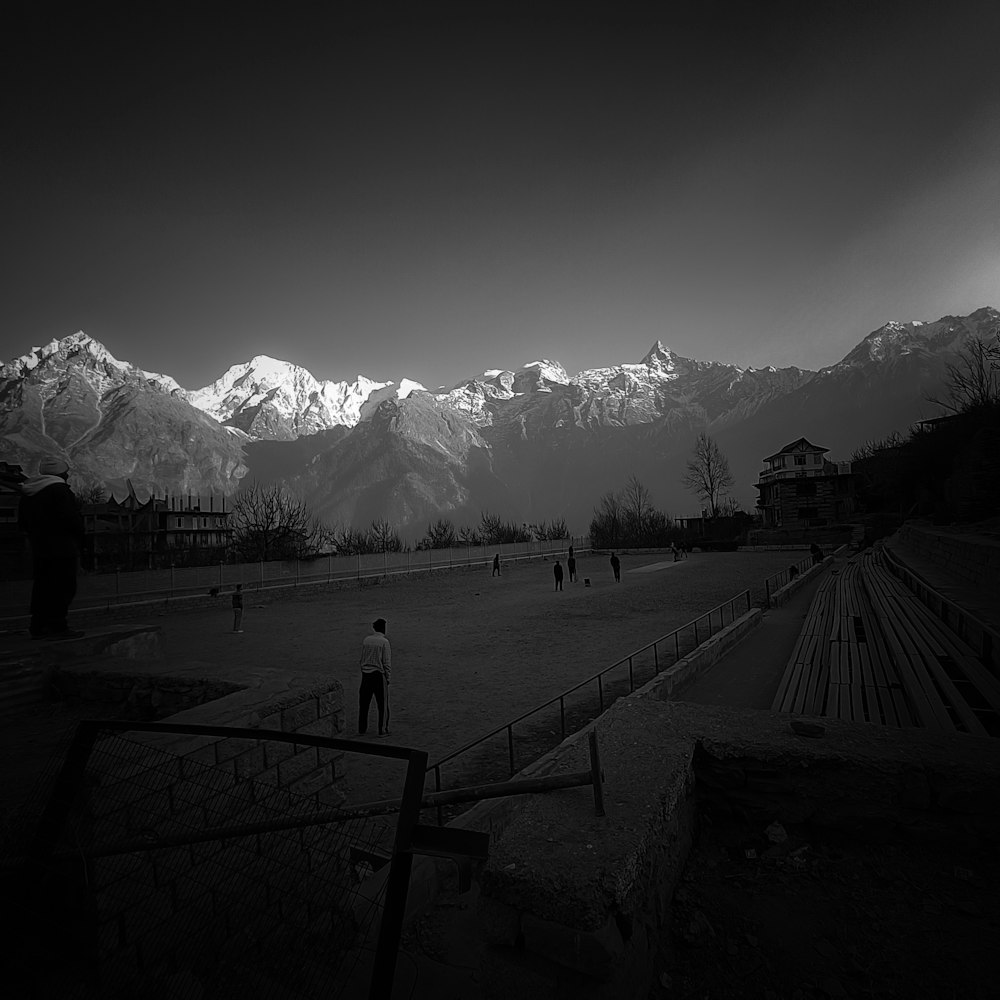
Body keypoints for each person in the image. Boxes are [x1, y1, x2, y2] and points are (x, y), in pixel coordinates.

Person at [17, 457, 85, 640]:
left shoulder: (30, 492)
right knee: (63, 587)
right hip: (62, 549)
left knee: (43, 587)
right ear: (62, 474)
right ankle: (58, 625)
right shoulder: (60, 491)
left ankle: (38, 625)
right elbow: (71, 520)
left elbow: (22, 522)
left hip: (39, 549)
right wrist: (79, 537)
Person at [358, 617, 391, 737]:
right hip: (378, 674)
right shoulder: (384, 642)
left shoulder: (366, 640)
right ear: (383, 628)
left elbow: (362, 657)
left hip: (365, 674)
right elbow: (386, 663)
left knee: (364, 703)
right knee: (382, 704)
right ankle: (382, 729)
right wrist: (387, 678)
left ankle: (362, 728)